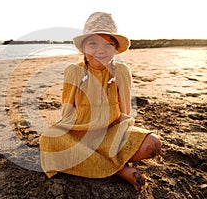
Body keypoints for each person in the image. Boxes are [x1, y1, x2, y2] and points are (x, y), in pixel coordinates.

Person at [39, 12, 161, 192]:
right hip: (80, 133)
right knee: (48, 139)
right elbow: (67, 108)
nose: (101, 50)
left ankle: (98, 160)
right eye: (93, 43)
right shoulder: (74, 71)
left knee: (153, 144)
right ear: (83, 48)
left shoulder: (121, 71)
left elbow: (125, 111)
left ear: (115, 48)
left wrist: (121, 138)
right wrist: (66, 134)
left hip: (110, 134)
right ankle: (119, 170)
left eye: (108, 44)